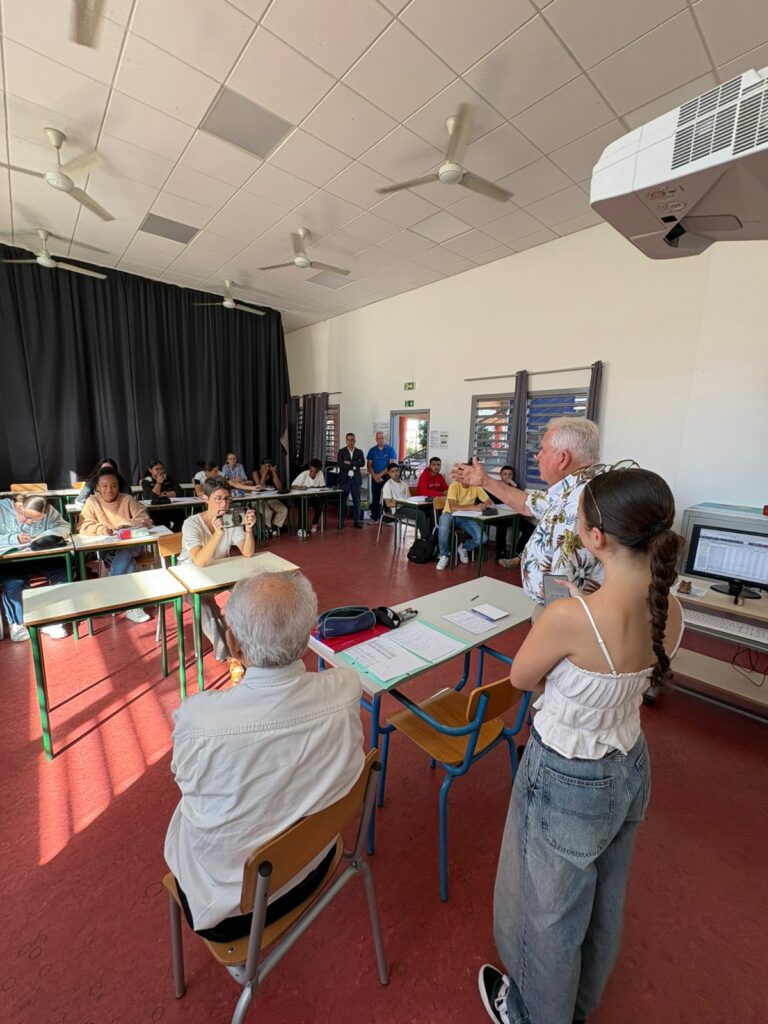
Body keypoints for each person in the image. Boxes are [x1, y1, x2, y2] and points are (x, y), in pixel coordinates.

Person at [478, 467, 684, 1024]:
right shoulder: (671, 608)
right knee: (604, 899)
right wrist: (582, 607)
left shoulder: (569, 617)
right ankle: (579, 1006)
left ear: (596, 538)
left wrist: (566, 612)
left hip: (568, 773)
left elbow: (523, 678)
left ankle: (530, 1012)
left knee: (546, 909)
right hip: (629, 764)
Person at [164, 569, 364, 948]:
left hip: (230, 913)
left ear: (234, 645)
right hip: (316, 863)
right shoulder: (347, 687)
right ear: (308, 639)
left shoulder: (198, 719)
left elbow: (185, 782)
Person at [456, 417, 603, 613]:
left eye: (543, 450)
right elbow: (527, 504)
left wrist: (551, 623)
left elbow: (563, 579)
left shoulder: (579, 503)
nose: (537, 456)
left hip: (563, 614)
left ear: (563, 458)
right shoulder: (572, 488)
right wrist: (485, 481)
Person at [179, 478, 257, 662]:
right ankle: (230, 656)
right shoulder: (191, 523)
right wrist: (217, 533)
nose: (223, 503)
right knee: (206, 605)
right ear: (205, 499)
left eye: (227, 499)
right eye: (218, 498)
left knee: (248, 593)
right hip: (190, 578)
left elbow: (247, 552)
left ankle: (253, 644)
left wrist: (248, 530)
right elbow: (199, 560)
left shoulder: (229, 519)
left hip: (219, 574)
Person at [78, 467, 154, 623]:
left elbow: (145, 519)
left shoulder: (127, 499)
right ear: (97, 487)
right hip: (109, 548)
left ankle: (109, 590)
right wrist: (101, 529)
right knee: (129, 564)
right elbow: (83, 526)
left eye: (113, 485)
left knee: (126, 552)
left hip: (133, 544)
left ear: (118, 486)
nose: (109, 489)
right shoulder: (92, 502)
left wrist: (125, 524)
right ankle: (132, 606)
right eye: (104, 486)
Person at [0, 495, 71, 642]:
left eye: (36, 520)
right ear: (19, 506)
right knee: (15, 583)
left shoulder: (47, 509)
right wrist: (13, 538)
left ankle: (53, 619)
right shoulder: (2, 509)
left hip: (38, 553)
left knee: (62, 575)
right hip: (11, 557)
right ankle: (18, 623)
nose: (30, 523)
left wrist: (44, 537)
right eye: (26, 517)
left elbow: (64, 526)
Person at [436, 470, 492, 571]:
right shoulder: (454, 486)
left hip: (466, 517)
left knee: (483, 537)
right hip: (449, 514)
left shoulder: (476, 486)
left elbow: (489, 502)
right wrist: (473, 507)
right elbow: (453, 507)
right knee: (443, 527)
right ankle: (444, 555)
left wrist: (484, 505)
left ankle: (464, 548)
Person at [382, 464, 431, 540]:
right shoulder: (388, 485)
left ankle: (431, 536)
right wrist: (402, 503)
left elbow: (409, 499)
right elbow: (388, 504)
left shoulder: (404, 484)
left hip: (406, 506)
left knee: (428, 512)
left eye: (397, 471)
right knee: (420, 514)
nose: (395, 473)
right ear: (389, 473)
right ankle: (426, 539)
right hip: (397, 509)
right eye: (392, 471)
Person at [251, 458, 287, 536]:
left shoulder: (272, 473)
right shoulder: (256, 473)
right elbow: (259, 488)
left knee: (283, 510)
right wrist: (264, 474)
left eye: (269, 467)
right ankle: (267, 528)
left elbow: (279, 488)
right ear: (261, 466)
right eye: (265, 466)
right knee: (267, 512)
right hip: (257, 498)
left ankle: (273, 527)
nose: (267, 468)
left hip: (270, 497)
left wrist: (275, 474)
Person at [366, 431, 397, 523]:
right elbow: (369, 465)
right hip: (375, 477)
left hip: (386, 478)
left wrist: (379, 475)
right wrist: (374, 476)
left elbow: (391, 465)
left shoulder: (390, 450)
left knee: (387, 498)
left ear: (384, 438)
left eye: (382, 438)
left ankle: (389, 519)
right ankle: (374, 517)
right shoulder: (372, 450)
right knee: (375, 497)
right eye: (378, 438)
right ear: (376, 439)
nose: (380, 440)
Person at [292, 458, 326, 537]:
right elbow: (293, 486)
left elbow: (323, 486)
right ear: (309, 468)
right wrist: (301, 487)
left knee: (320, 505)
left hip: (312, 496)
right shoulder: (304, 474)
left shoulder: (320, 473)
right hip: (301, 497)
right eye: (311, 471)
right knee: (303, 504)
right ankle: (301, 529)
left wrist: (317, 488)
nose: (313, 474)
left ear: (318, 471)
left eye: (315, 472)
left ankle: (315, 523)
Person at [337, 432, 365, 530]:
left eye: (352, 439)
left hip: (356, 480)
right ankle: (340, 523)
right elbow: (340, 464)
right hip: (345, 480)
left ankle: (356, 522)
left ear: (355, 440)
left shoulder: (359, 452)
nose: (350, 441)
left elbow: (362, 463)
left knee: (357, 501)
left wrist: (350, 463)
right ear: (346, 441)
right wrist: (354, 464)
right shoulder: (341, 451)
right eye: (348, 440)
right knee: (342, 502)